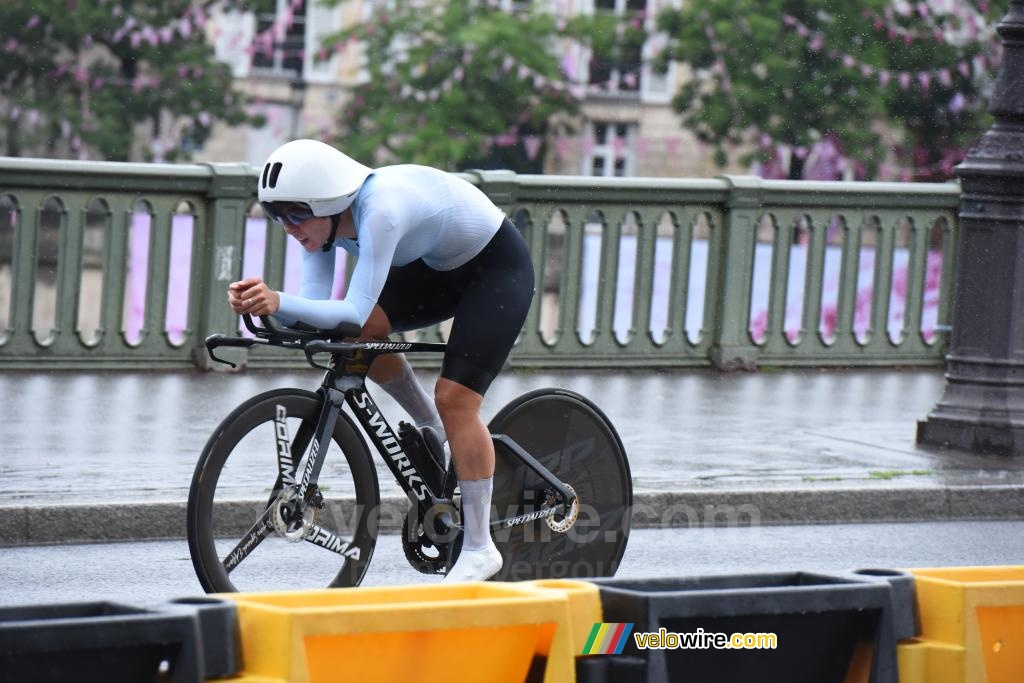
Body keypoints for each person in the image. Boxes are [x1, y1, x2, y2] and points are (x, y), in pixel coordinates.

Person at [227, 139, 535, 582]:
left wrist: (277, 301)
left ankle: (481, 548)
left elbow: (349, 309)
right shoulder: (319, 226)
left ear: (329, 202)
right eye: (277, 216)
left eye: (295, 214)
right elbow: (315, 307)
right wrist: (264, 305)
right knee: (356, 336)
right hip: (436, 269)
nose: (288, 227)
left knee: (456, 401)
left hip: (495, 269)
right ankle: (435, 432)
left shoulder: (381, 212)